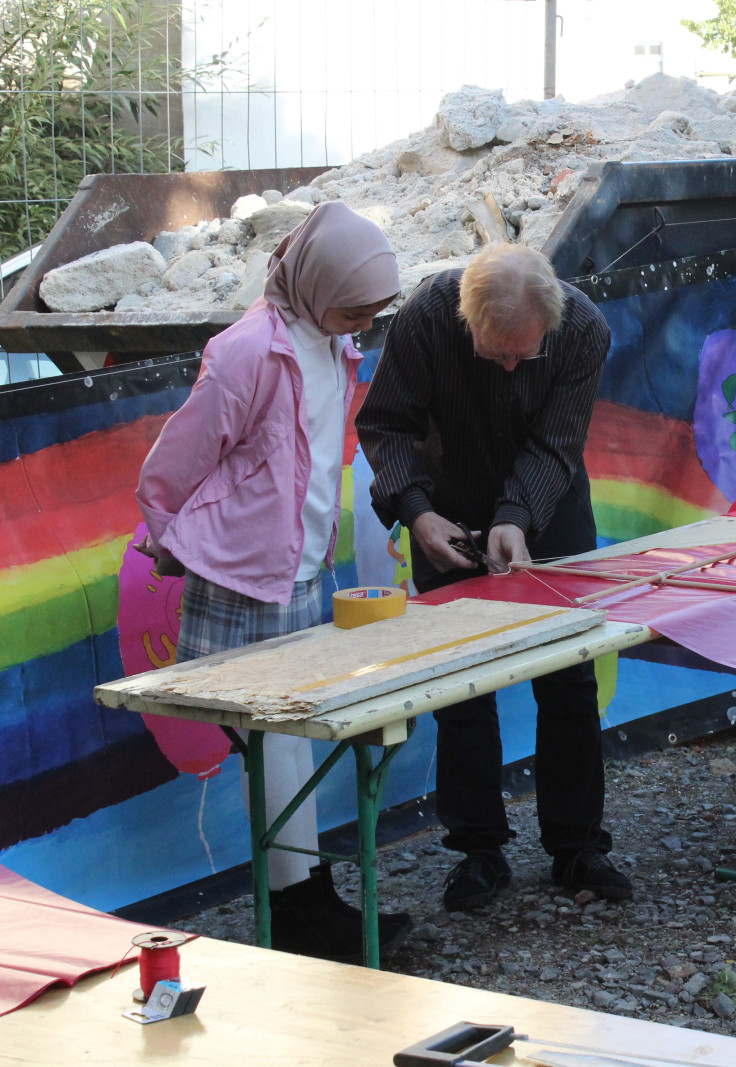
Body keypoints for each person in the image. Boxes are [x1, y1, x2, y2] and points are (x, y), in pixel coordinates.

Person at [135, 201, 411, 961]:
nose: (364, 323)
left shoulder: (332, 339)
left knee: (294, 736)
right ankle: (294, 909)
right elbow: (179, 455)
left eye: (373, 311)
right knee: (271, 741)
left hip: (298, 571)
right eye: (355, 308)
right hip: (241, 577)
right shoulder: (247, 351)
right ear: (315, 281)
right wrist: (168, 533)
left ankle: (309, 897)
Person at [355, 243, 628, 908]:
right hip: (442, 509)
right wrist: (416, 513)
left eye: (523, 356)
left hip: (550, 506)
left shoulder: (583, 329)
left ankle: (577, 845)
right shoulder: (426, 318)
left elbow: (556, 443)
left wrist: (515, 516)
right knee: (461, 683)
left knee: (569, 676)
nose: (509, 366)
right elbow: (385, 424)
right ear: (466, 317)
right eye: (495, 353)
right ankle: (479, 848)